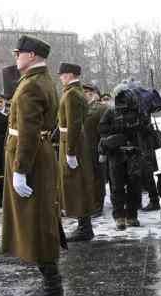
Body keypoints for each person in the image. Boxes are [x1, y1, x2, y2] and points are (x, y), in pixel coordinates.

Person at [2, 35, 63, 296]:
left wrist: (20, 169)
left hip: (31, 158)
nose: (16, 57)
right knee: (40, 217)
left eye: (19, 52)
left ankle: (52, 287)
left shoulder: (31, 86)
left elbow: (27, 132)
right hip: (39, 153)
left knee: (37, 219)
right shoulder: (41, 81)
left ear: (32, 56)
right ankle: (51, 283)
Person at [98, 84, 147, 230]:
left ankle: (132, 216)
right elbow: (102, 128)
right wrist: (114, 137)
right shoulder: (111, 112)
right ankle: (119, 217)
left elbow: (145, 127)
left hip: (134, 153)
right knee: (117, 186)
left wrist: (136, 127)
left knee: (135, 185)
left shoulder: (138, 111)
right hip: (116, 154)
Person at [57, 63, 96, 242]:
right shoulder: (75, 91)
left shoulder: (72, 93)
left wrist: (71, 151)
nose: (61, 77)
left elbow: (73, 123)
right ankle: (83, 225)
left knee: (77, 183)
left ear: (71, 74)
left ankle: (84, 227)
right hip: (72, 140)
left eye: (63, 74)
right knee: (77, 182)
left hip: (73, 142)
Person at [82, 83, 108, 216]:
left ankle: (98, 205)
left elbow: (105, 131)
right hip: (84, 149)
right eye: (84, 92)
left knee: (98, 178)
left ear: (94, 94)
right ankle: (90, 204)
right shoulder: (82, 108)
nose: (85, 94)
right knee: (88, 178)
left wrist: (103, 149)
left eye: (88, 92)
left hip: (97, 148)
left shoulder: (101, 108)